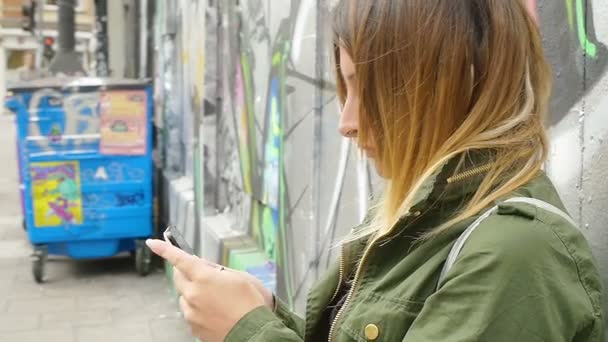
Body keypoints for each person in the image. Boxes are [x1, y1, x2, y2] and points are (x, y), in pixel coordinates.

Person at [146, 0, 604, 341]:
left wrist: (248, 331)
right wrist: (263, 313)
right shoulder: (420, 216)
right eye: (346, 86)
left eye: (374, 90)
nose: (348, 122)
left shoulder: (514, 254)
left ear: (454, 83)